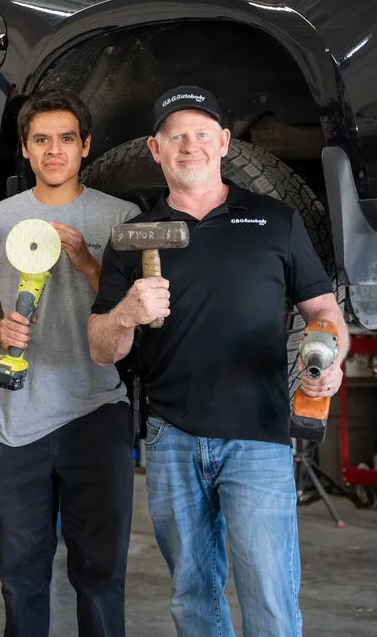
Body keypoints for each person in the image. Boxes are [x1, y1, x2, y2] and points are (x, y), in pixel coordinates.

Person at [88, 85, 346, 636]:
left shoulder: (275, 220)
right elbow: (99, 346)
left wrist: (332, 358)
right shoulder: (133, 237)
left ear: (224, 143)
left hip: (256, 434)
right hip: (170, 435)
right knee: (192, 596)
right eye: (175, 136)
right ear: (154, 150)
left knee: (271, 597)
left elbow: (323, 307)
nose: (190, 146)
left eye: (202, 134)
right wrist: (128, 312)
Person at [0, 90, 139, 637]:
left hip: (97, 412)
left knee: (101, 573)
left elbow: (135, 309)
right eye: (41, 140)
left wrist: (88, 261)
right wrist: (0, 329)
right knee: (21, 576)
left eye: (66, 139)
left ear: (86, 146)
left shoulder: (120, 216)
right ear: (26, 148)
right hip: (16, 423)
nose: (54, 150)